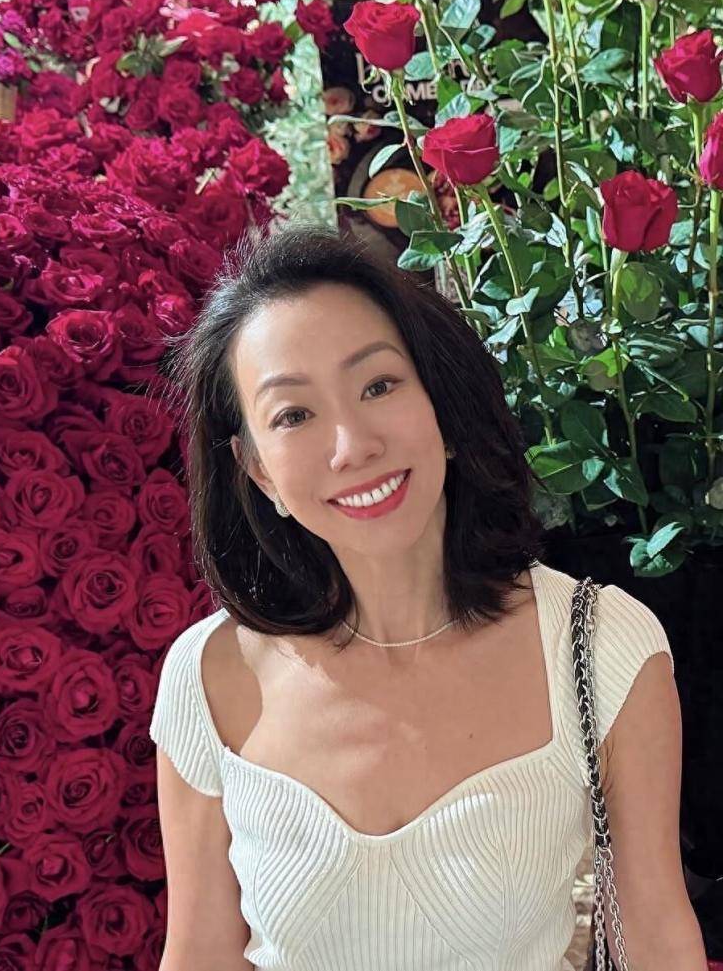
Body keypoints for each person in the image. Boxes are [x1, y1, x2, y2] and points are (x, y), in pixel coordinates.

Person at [150, 223, 706, 970]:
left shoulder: (603, 644)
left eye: (379, 385)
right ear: (258, 471)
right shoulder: (208, 675)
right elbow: (198, 955)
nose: (353, 445)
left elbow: (658, 939)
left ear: (442, 405)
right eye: (294, 414)